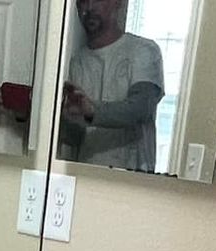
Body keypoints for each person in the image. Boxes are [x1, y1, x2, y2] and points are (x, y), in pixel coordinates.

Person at [60, 0, 164, 173]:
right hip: (88, 175)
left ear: (118, 3)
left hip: (133, 179)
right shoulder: (77, 62)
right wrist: (30, 115)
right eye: (83, 1)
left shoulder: (143, 50)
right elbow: (76, 136)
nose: (90, 8)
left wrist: (91, 111)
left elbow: (140, 109)